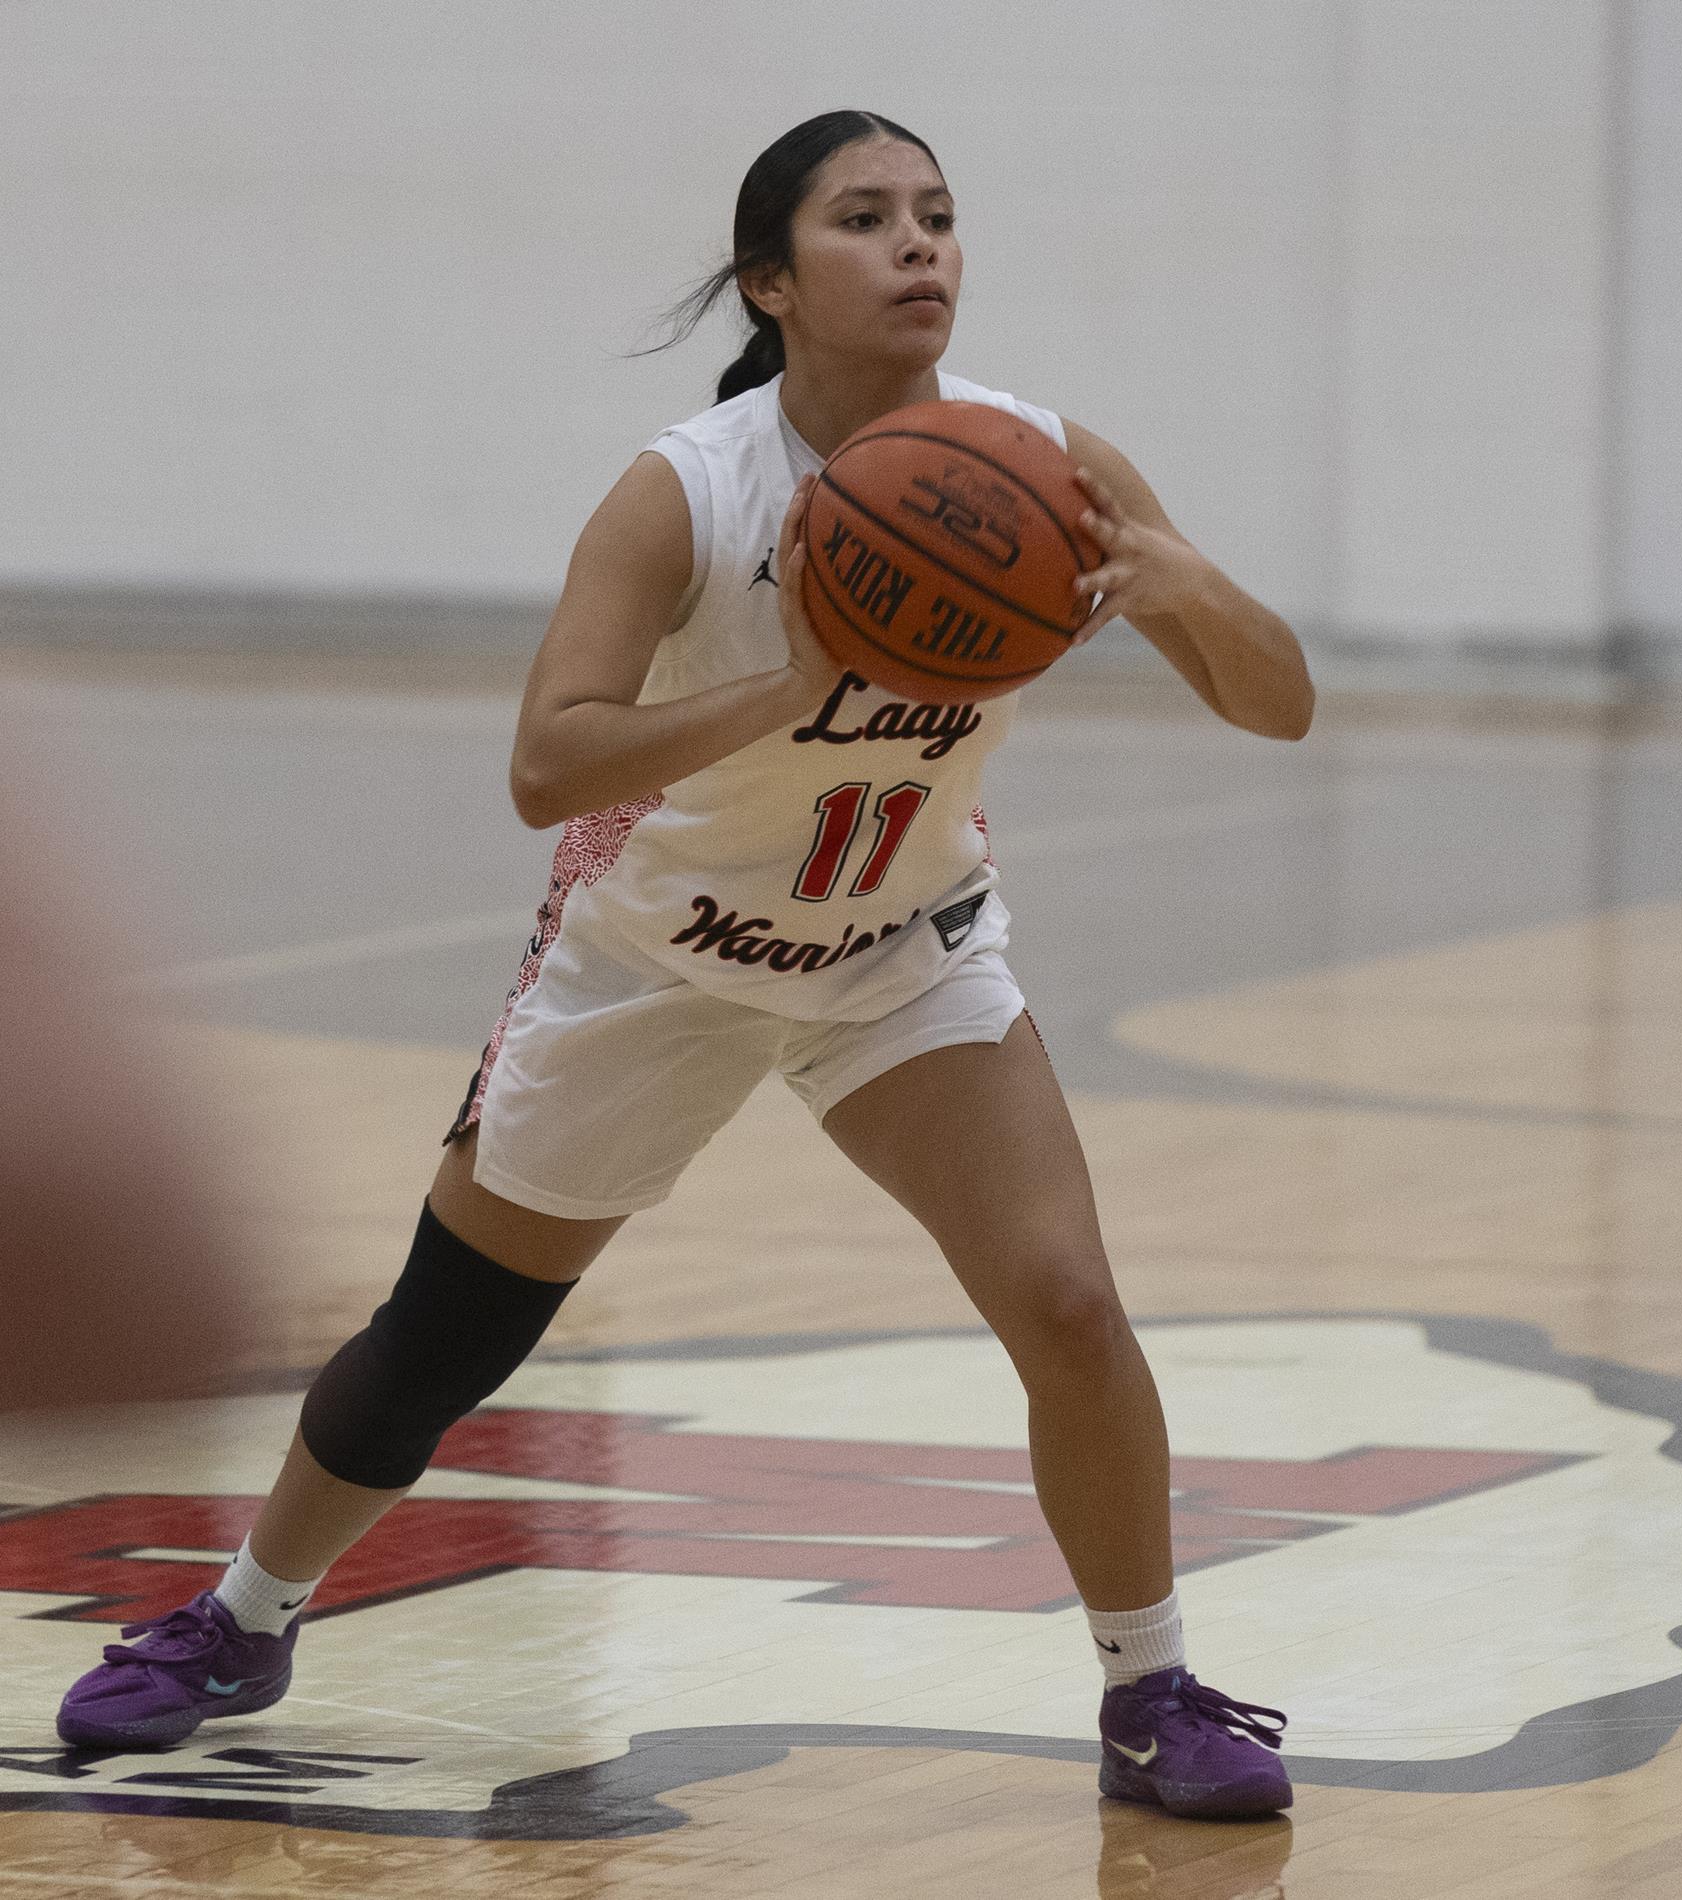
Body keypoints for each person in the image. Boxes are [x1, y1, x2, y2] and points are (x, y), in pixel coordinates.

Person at [57, 110, 1314, 1822]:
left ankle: (1150, 1692)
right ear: (773, 283)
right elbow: (544, 767)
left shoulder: (1040, 466)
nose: (920, 245)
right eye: (867, 219)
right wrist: (784, 682)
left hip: (898, 949)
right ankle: (242, 1620)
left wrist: (1184, 581)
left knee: (1070, 1305)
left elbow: (1275, 702)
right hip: (659, 957)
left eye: (937, 215)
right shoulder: (687, 493)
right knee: (443, 1341)